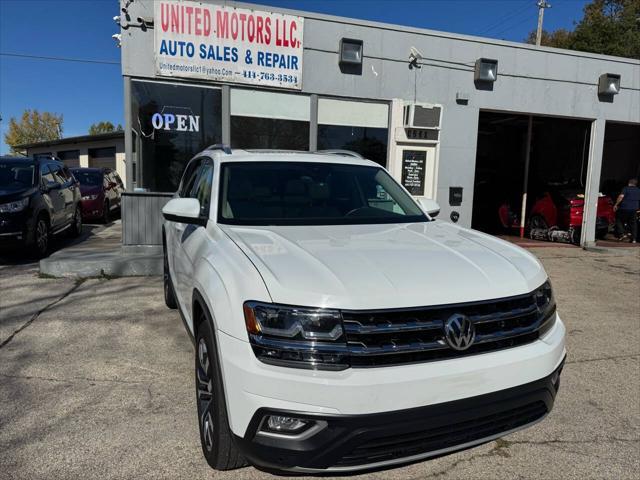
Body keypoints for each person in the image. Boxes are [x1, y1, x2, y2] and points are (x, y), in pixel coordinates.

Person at [614, 178, 640, 243]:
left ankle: (622, 234)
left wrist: (616, 204)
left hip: (624, 208)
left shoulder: (626, 188)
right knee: (633, 224)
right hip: (634, 209)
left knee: (618, 220)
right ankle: (634, 239)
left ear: (629, 183)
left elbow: (621, 196)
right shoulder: (638, 190)